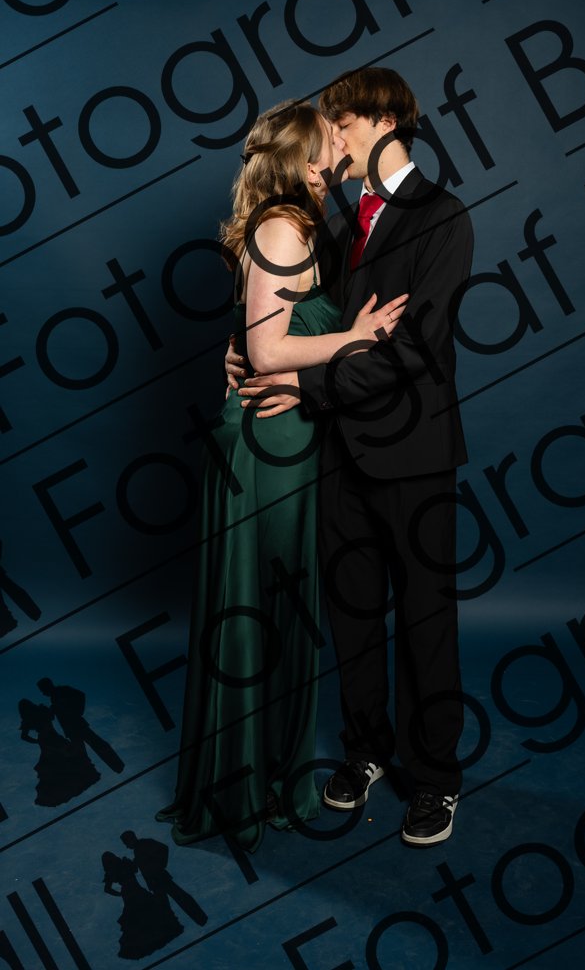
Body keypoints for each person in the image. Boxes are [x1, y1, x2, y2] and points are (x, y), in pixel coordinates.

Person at [156, 100, 407, 853]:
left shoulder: (299, 225)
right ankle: (248, 783)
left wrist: (243, 348)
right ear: (301, 160)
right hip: (268, 443)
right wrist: (356, 336)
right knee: (263, 608)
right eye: (328, 143)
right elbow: (266, 354)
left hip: (287, 436)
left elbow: (256, 340)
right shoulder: (281, 227)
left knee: (277, 603)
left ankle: (260, 772)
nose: (339, 151)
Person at [235, 67, 474, 846]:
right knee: (352, 613)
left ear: (381, 121)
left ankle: (435, 778)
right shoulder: (340, 226)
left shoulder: (443, 217)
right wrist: (247, 354)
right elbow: (309, 324)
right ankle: (366, 750)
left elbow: (411, 351)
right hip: (340, 456)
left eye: (338, 124)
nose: (328, 141)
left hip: (413, 455)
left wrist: (302, 387)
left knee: (425, 618)